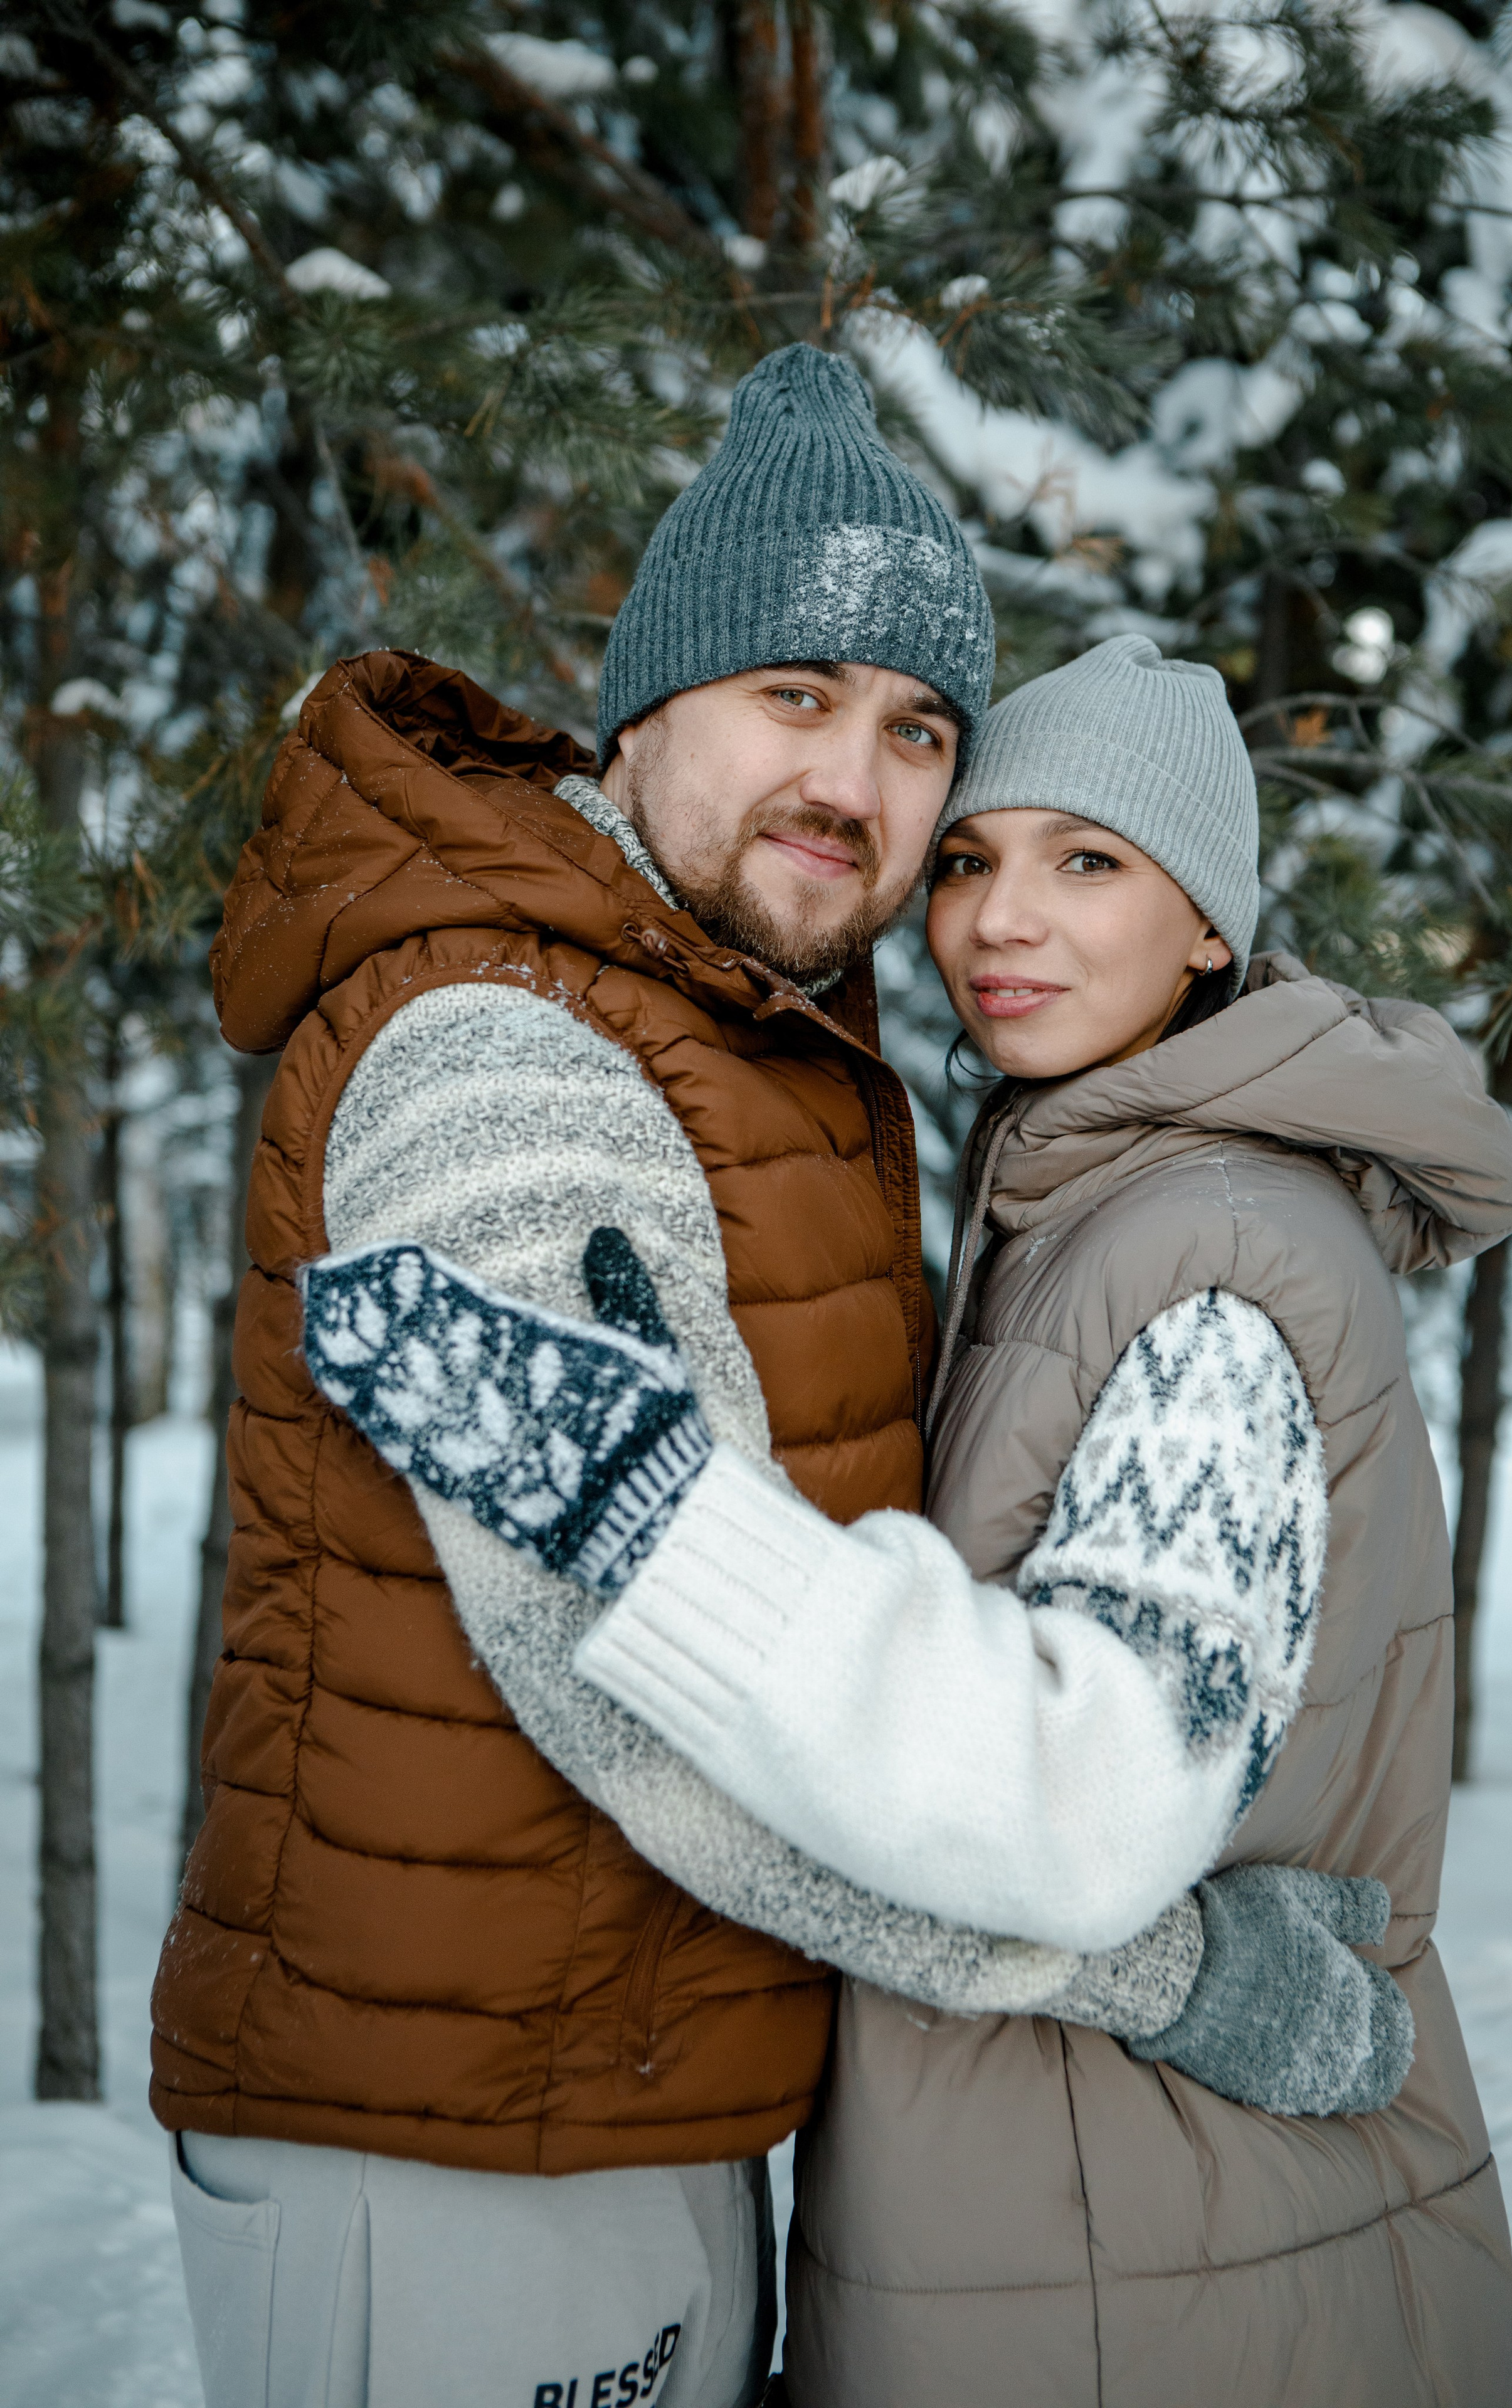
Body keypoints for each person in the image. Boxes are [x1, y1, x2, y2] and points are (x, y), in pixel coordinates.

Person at [161, 342, 1411, 2408]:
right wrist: (1162, 1972)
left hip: (615, 2083)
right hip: (451, 2130)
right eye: (795, 697)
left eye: (919, 728)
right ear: (648, 706)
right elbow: (649, 1691)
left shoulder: (730, 1029)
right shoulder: (507, 1051)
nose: (861, 782)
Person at [307, 636, 1512, 2406]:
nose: (997, 922)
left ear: (1210, 924)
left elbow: (1097, 1798)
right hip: (1079, 2213)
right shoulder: (1089, 1195)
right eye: (969, 859)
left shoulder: (1215, 1262)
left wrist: (647, 1510)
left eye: (1089, 861)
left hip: (1154, 2260)